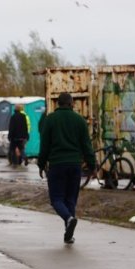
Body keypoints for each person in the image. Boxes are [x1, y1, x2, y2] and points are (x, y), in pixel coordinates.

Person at [37, 92, 96, 244]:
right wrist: (92, 165)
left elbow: (45, 145)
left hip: (56, 165)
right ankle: (69, 233)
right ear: (72, 104)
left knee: (56, 199)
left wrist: (41, 163)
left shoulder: (50, 120)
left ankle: (69, 219)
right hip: (75, 165)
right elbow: (86, 145)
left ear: (58, 104)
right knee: (70, 199)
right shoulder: (79, 121)